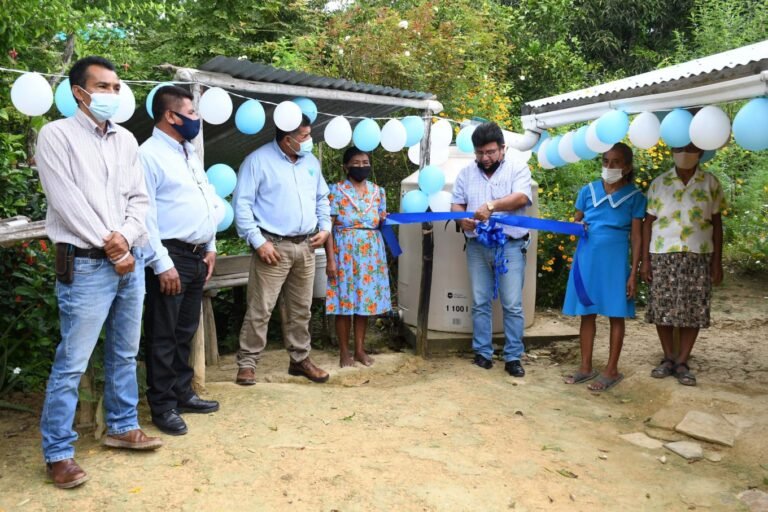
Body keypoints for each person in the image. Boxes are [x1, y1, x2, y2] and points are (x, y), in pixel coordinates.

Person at [35, 56, 162, 489]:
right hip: (87, 264)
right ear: (79, 92)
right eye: (103, 86)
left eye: (116, 87)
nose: (112, 93)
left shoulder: (126, 139)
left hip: (130, 260)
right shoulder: (56, 136)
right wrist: (112, 245)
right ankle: (58, 452)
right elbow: (66, 202)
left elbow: (140, 200)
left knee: (125, 352)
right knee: (72, 361)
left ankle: (122, 426)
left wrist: (125, 239)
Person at [139, 86, 221, 436]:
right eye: (191, 113)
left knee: (185, 330)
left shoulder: (188, 152)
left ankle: (182, 392)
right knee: (163, 333)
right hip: (169, 255)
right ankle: (162, 405)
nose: (196, 119)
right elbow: (144, 215)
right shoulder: (148, 155)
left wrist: (210, 245)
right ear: (170, 116)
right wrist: (161, 263)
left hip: (197, 254)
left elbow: (205, 199)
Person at [233, 115, 331, 385]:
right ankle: (247, 363)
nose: (309, 141)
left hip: (307, 245)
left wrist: (325, 227)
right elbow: (242, 205)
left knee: (302, 309)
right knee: (260, 308)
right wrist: (258, 241)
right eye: (304, 136)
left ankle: (300, 360)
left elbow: (322, 198)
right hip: (272, 246)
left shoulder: (311, 162)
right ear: (287, 139)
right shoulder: (257, 161)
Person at [562, 143, 646, 392]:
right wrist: (577, 225)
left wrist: (633, 273)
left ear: (627, 167)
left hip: (616, 264)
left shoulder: (635, 197)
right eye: (606, 161)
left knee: (616, 313)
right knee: (587, 312)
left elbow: (637, 238)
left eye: (616, 162)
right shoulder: (588, 191)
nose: (609, 166)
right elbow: (576, 221)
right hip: (587, 260)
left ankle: (611, 370)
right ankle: (585, 367)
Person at [450, 122, 532, 377]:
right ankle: (482, 353)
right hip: (477, 246)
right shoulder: (466, 173)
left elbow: (522, 197)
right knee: (479, 301)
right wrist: (461, 219)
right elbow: (456, 204)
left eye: (490, 152)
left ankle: (513, 357)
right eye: (480, 153)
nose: (485, 158)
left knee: (512, 304)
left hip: (510, 246)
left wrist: (491, 205)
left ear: (502, 148)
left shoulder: (518, 168)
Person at [642, 141, 726, 386]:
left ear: (701, 152)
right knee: (662, 307)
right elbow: (648, 223)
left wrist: (717, 262)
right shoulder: (659, 183)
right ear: (671, 151)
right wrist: (645, 261)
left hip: (698, 254)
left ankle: (682, 361)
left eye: (690, 149)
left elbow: (717, 225)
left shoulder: (710, 183)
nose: (684, 154)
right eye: (678, 149)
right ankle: (668, 357)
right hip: (663, 253)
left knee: (693, 309)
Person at [324, 148, 391, 367]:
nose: (362, 166)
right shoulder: (335, 191)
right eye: (356, 163)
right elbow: (327, 228)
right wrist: (330, 260)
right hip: (343, 253)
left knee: (364, 303)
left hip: (371, 254)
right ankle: (344, 353)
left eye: (365, 162)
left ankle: (360, 350)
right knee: (344, 303)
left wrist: (383, 219)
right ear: (346, 167)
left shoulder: (378, 191)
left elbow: (381, 221)